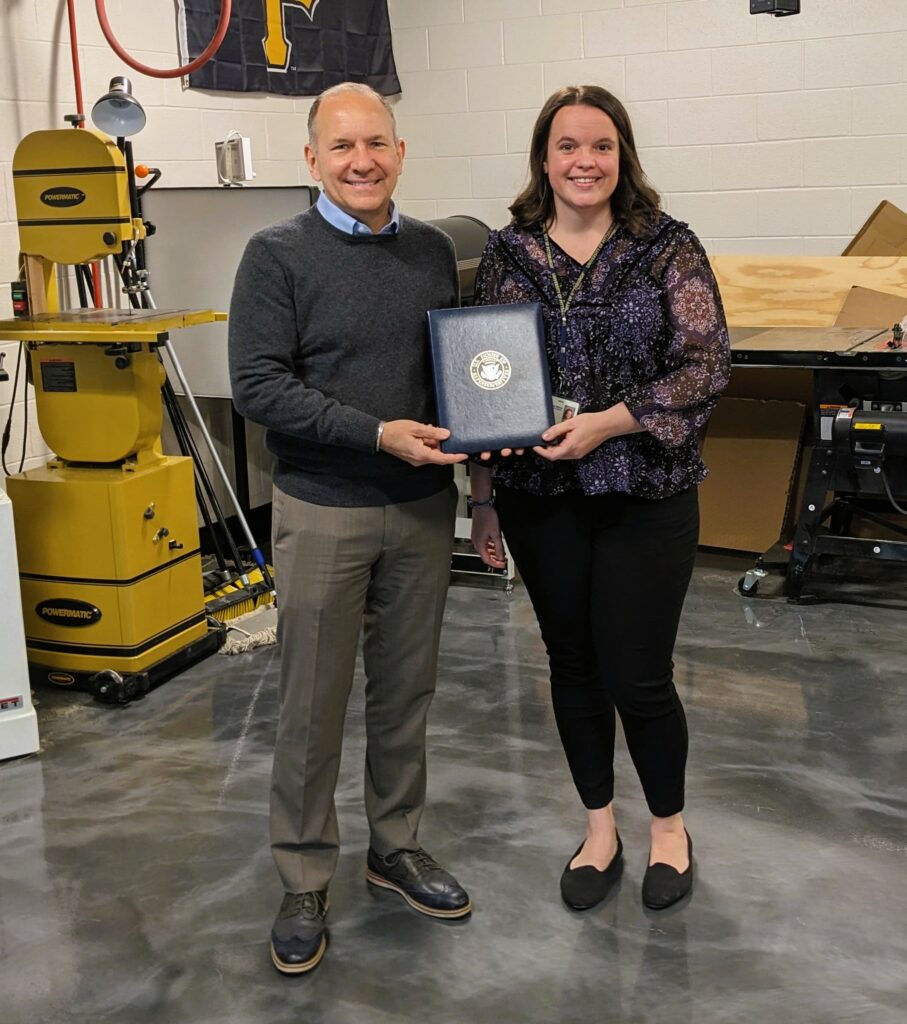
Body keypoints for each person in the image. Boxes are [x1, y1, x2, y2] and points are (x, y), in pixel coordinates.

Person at [228, 82, 472, 976]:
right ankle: (302, 877)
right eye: (341, 147)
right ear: (311, 161)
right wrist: (372, 434)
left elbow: (452, 380)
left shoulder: (434, 252)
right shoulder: (275, 254)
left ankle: (394, 846)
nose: (360, 160)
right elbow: (258, 386)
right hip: (324, 508)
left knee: (406, 694)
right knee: (311, 706)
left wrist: (479, 483)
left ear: (400, 152)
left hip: (419, 512)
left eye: (376, 143)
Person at [469, 85, 730, 912]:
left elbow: (706, 364)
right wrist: (481, 497)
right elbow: (482, 382)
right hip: (539, 496)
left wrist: (609, 424)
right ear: (543, 159)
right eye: (568, 146)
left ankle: (666, 829)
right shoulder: (508, 254)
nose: (585, 162)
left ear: (622, 157)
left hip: (643, 495)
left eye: (601, 146)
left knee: (638, 675)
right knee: (571, 668)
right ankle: (597, 827)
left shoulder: (665, 247)